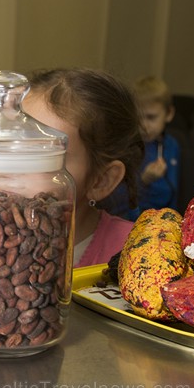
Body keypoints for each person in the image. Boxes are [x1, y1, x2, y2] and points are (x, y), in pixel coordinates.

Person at [22, 68, 144, 268]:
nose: (11, 169)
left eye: (43, 157)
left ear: (101, 180)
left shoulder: (135, 255)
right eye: (6, 147)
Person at [127, 76, 180, 220]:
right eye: (138, 118)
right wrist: (143, 180)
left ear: (169, 114)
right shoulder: (127, 146)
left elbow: (174, 194)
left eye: (151, 117)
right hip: (133, 221)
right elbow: (118, 202)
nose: (144, 126)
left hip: (165, 221)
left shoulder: (171, 145)